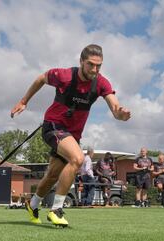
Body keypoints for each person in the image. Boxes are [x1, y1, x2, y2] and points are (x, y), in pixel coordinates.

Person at [11, 44, 131, 227]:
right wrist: (23, 101)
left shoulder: (101, 83)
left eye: (99, 65)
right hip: (53, 126)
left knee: (52, 175)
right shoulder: (64, 75)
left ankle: (32, 204)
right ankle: (56, 209)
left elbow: (115, 108)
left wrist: (121, 114)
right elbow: (41, 78)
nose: (95, 69)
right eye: (91, 64)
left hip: (72, 135)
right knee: (77, 158)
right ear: (81, 61)